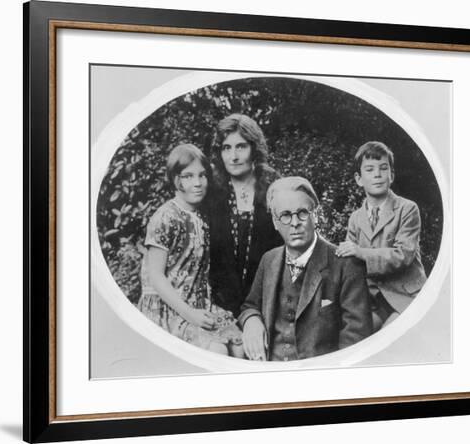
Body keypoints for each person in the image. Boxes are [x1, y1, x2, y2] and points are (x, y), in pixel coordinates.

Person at [238, 177, 372, 361]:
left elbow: (356, 337)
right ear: (275, 223)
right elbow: (250, 306)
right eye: (285, 215)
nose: (294, 223)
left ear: (315, 215)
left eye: (302, 213)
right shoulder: (268, 260)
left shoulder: (346, 265)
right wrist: (251, 320)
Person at [137, 144, 244, 357]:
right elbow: (156, 277)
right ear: (176, 180)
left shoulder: (203, 216)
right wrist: (189, 314)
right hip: (170, 307)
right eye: (187, 176)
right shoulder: (165, 218)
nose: (197, 183)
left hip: (200, 304)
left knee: (240, 345)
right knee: (217, 351)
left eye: (202, 175)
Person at [336, 141, 427, 331]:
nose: (377, 175)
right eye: (369, 169)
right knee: (352, 334)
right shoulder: (355, 218)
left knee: (388, 336)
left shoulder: (407, 209)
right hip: (372, 301)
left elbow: (402, 255)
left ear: (391, 176)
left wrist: (360, 252)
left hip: (405, 297)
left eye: (383, 168)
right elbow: (350, 265)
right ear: (359, 179)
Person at [208, 114, 283, 318]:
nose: (233, 156)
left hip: (268, 300)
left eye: (240, 146)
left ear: (254, 149)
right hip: (220, 304)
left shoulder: (274, 190)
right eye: (226, 148)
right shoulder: (212, 194)